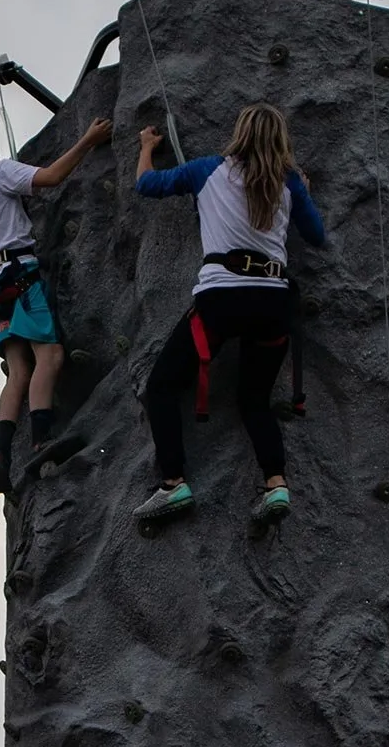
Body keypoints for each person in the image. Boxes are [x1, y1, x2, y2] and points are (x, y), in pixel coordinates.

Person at [130, 102, 326, 523]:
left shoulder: (207, 170)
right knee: (254, 398)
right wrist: (303, 191)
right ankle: (276, 484)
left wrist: (146, 146)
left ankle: (173, 484)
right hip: (272, 300)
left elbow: (146, 185)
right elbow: (317, 236)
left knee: (162, 386)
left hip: (223, 298)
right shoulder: (288, 182)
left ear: (239, 132)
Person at [0, 117, 112, 493]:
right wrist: (88, 139)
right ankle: (41, 439)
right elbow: (52, 176)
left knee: (18, 371)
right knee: (50, 356)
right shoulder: (2, 172)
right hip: (21, 277)